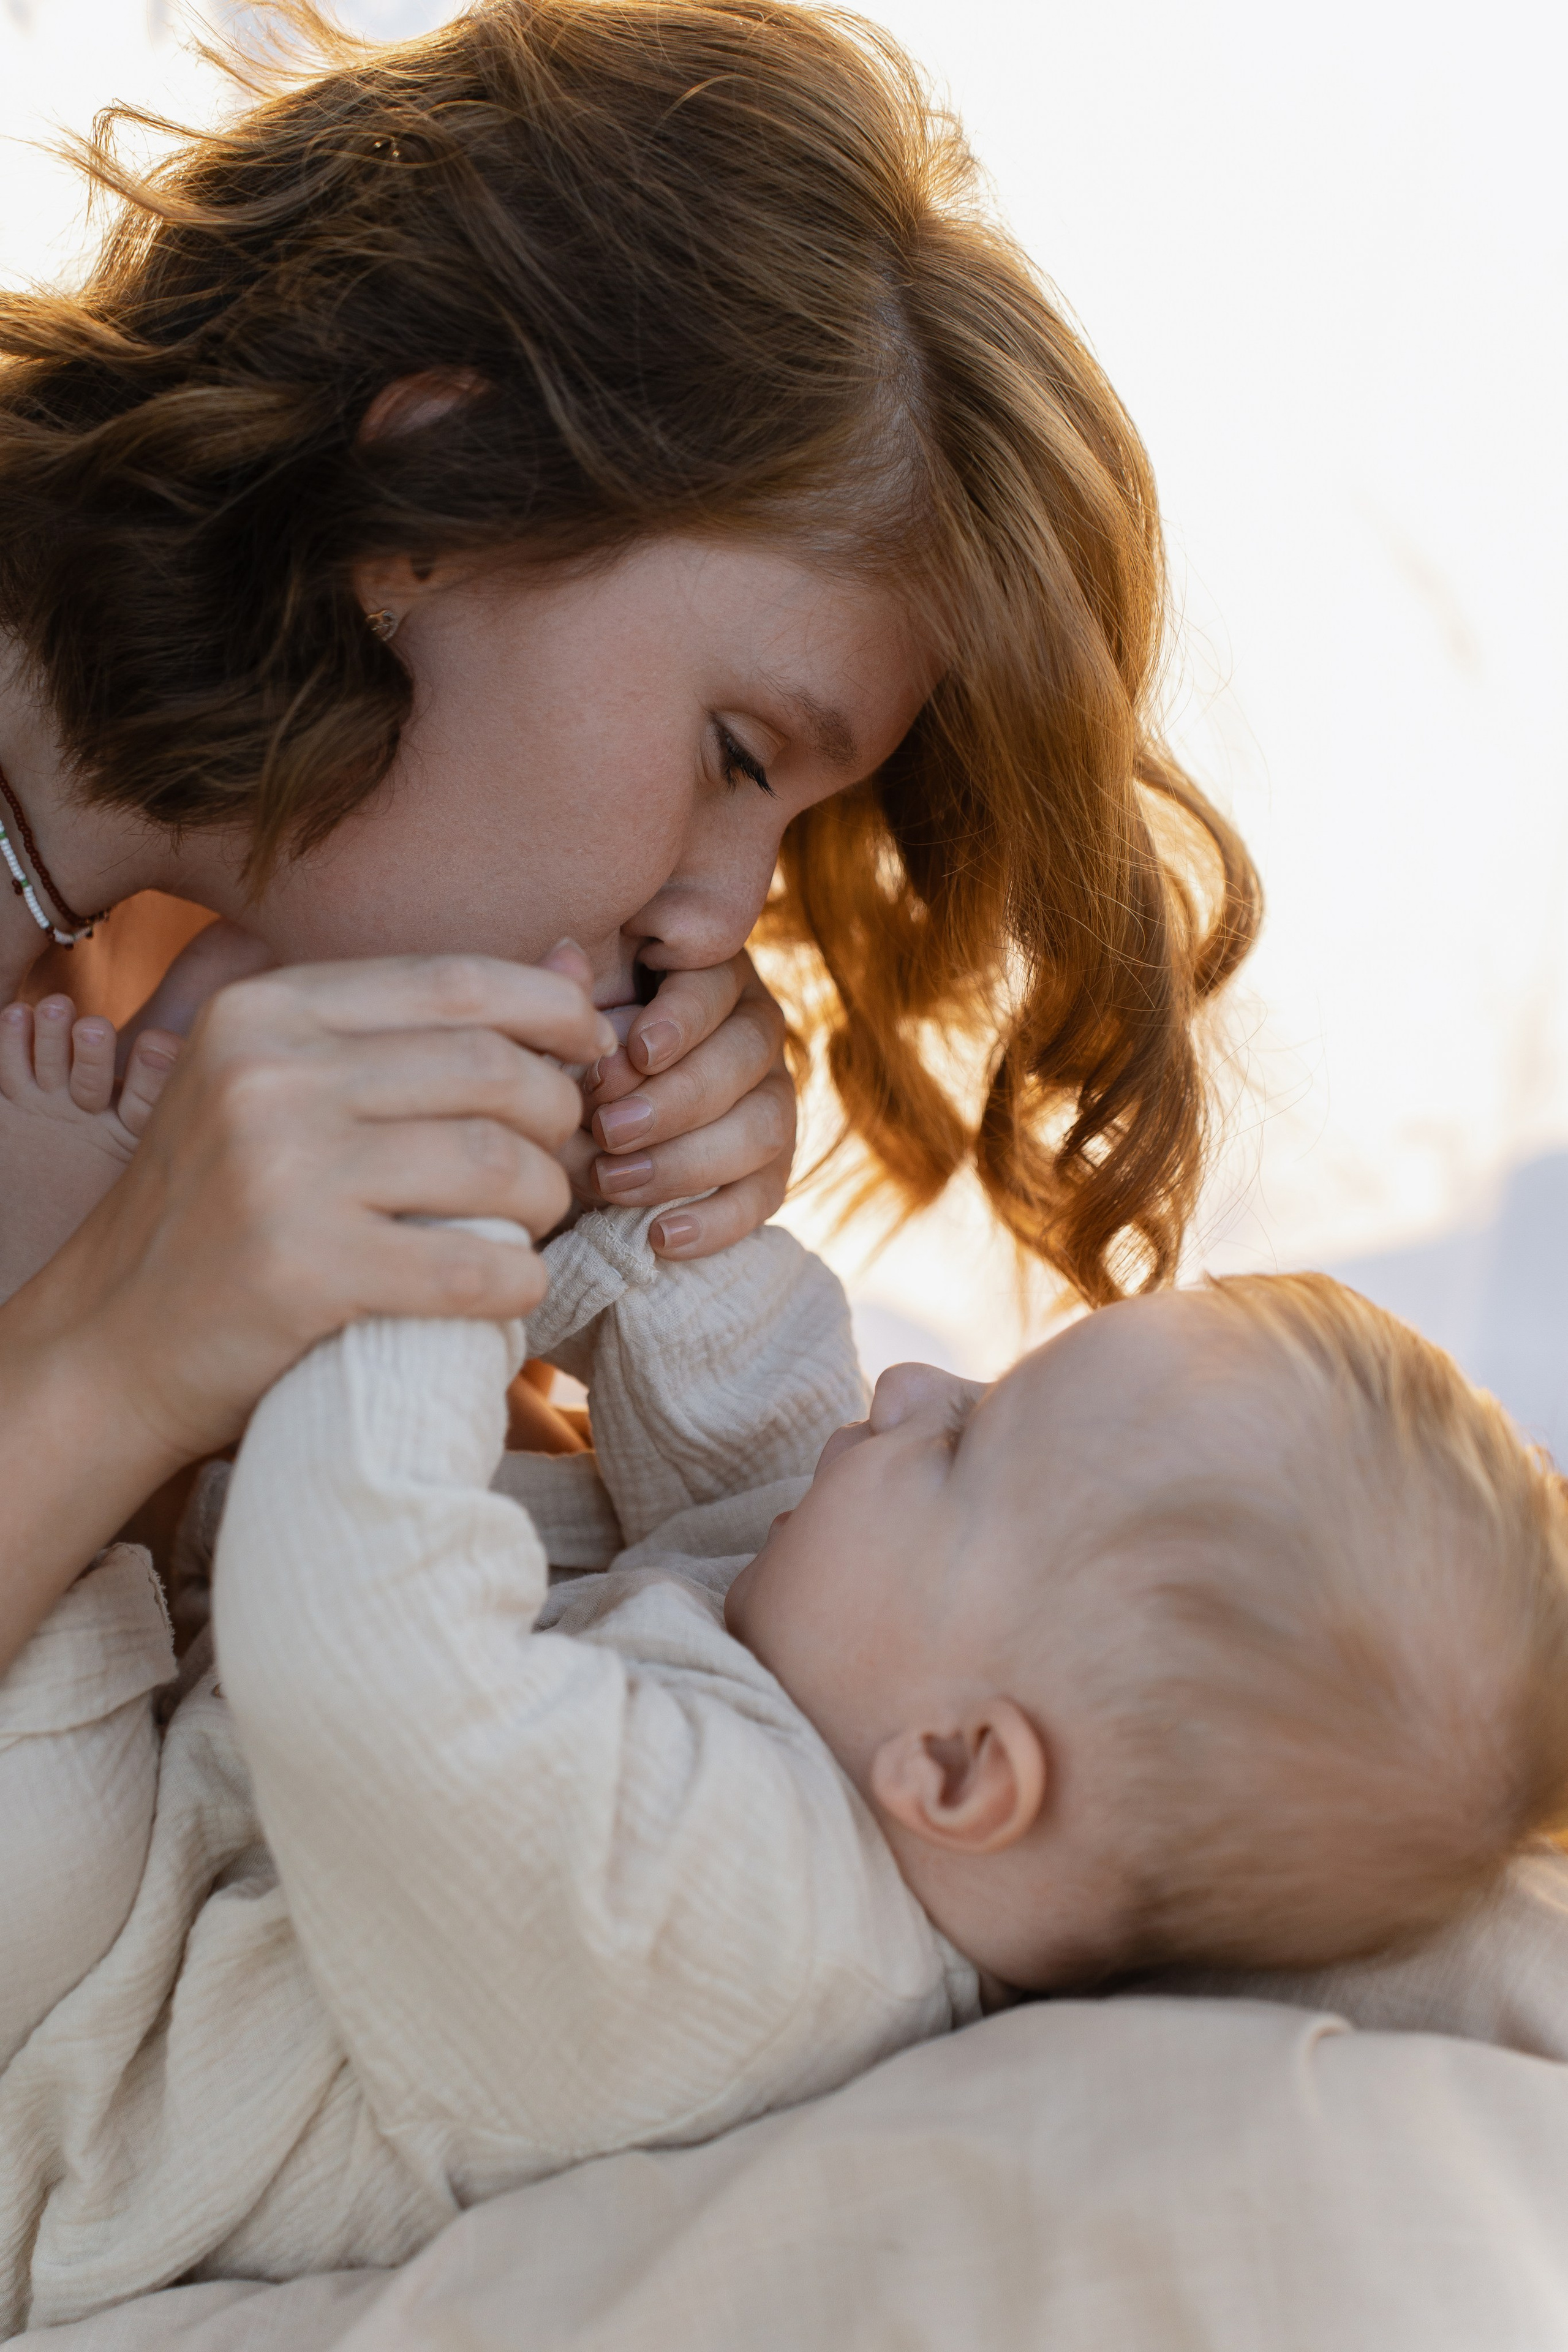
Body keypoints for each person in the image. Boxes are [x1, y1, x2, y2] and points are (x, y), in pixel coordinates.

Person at [0, 0, 1259, 1679]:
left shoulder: (156, 956)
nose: (721, 915)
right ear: (446, 472)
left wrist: (555, 1250)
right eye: (737, 753)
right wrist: (118, 1344)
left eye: (793, 827)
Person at [5, 1201, 1565, 2334]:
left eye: (966, 1440)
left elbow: (354, 1636)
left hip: (72, 2056)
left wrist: (441, 1237)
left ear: (958, 1770)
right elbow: (750, 1436)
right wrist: (656, 1189)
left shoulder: (734, 1929)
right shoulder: (876, 1687)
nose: (908, 1389)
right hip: (221, 1806)